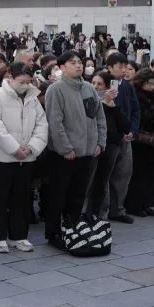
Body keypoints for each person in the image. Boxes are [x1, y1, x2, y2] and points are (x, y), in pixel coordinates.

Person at [0, 63, 47, 253]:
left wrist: (32, 147)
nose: (25, 85)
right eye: (21, 81)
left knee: (22, 198)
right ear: (10, 78)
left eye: (28, 82)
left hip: (26, 157)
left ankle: (19, 236)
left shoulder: (32, 98)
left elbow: (42, 125)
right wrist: (14, 148)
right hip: (0, 158)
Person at [43, 51, 106, 250]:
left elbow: (99, 117)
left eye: (80, 62)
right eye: (73, 63)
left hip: (86, 152)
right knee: (58, 194)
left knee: (78, 194)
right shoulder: (56, 89)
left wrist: (100, 142)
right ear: (62, 67)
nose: (79, 65)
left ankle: (73, 228)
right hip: (63, 155)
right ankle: (54, 233)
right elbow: (55, 123)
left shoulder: (88, 88)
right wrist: (65, 148)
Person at [87, 71, 130, 220]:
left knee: (102, 182)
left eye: (100, 84)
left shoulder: (113, 102)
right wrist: (104, 104)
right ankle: (89, 214)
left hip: (111, 146)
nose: (96, 87)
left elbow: (124, 125)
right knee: (90, 182)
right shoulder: (89, 99)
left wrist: (113, 107)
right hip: (93, 145)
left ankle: (99, 215)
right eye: (93, 83)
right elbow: (92, 119)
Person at [103, 53, 140, 223]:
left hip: (126, 137)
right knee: (105, 176)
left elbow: (136, 110)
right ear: (109, 68)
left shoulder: (128, 87)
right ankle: (101, 212)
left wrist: (132, 130)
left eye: (126, 67)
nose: (124, 70)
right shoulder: (102, 83)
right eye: (120, 67)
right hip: (109, 138)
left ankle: (117, 209)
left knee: (123, 173)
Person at [125, 69, 154, 218]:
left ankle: (147, 204)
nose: (152, 86)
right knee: (139, 175)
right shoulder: (136, 96)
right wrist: (153, 112)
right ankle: (135, 205)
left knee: (151, 175)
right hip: (140, 141)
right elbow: (138, 116)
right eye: (149, 83)